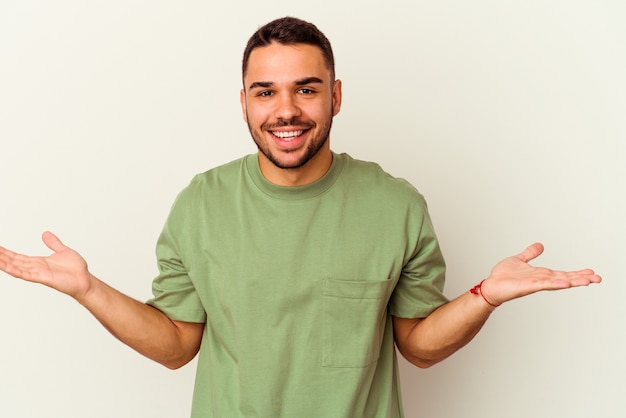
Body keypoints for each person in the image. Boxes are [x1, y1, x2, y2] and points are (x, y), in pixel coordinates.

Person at [0, 16, 601, 418]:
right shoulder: (200, 204)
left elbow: (417, 345)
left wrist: (483, 296)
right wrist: (87, 288)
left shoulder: (396, 205)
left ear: (335, 96)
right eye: (265, 92)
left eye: (306, 89)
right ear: (243, 103)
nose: (286, 110)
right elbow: (177, 344)